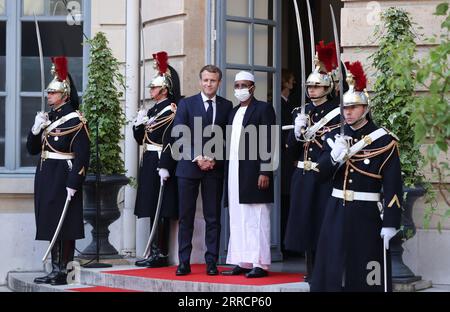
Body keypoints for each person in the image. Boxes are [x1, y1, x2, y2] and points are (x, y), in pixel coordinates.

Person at [311, 61, 402, 292]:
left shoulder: (383, 140)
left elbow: (393, 185)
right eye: (345, 108)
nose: (348, 113)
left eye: (353, 107)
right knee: (331, 265)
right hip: (336, 209)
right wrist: (333, 158)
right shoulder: (334, 135)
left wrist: (391, 222)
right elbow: (319, 175)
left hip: (366, 213)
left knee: (367, 267)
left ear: (366, 108)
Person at [27, 56, 90, 285]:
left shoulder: (75, 120)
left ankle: (64, 271)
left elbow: (83, 155)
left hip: (64, 175)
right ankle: (54, 269)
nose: (48, 96)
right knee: (52, 222)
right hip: (46, 175)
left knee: (66, 224)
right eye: (48, 93)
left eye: (52, 93)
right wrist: (35, 130)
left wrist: (75, 182)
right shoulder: (49, 118)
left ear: (63, 95)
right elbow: (33, 150)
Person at [284, 43, 341, 283]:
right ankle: (310, 267)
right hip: (302, 175)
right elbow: (290, 150)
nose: (312, 89)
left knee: (320, 224)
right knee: (304, 223)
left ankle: (322, 269)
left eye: (316, 85)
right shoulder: (301, 110)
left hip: (323, 175)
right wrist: (296, 133)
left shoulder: (337, 112)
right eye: (309, 86)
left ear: (327, 87)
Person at [172, 65, 233, 276]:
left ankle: (211, 262)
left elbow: (228, 138)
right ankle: (184, 262)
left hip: (214, 169)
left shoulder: (227, 106)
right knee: (186, 217)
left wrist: (214, 159)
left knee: (213, 217)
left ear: (219, 82)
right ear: (200, 81)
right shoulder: (186, 104)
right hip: (189, 167)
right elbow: (179, 133)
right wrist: (198, 157)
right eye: (206, 80)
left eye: (213, 81)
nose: (209, 84)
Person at [221, 71, 276, 278]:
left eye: (244, 85)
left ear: (253, 87)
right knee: (237, 216)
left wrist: (265, 170)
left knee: (257, 216)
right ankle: (241, 261)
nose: (240, 89)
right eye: (237, 85)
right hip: (235, 170)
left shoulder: (263, 109)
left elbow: (269, 140)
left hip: (255, 170)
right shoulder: (233, 112)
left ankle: (259, 263)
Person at [133, 51, 179, 268]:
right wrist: (138, 124)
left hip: (162, 160)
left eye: (154, 87)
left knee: (162, 208)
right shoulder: (154, 109)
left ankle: (160, 253)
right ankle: (153, 250)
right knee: (152, 206)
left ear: (164, 89)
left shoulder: (171, 110)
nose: (151, 90)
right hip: (149, 159)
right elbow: (140, 138)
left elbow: (171, 138)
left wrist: (165, 165)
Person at [280, 69, 296, 255]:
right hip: (284, 159)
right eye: (291, 80)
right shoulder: (279, 103)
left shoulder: (289, 103)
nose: (293, 83)